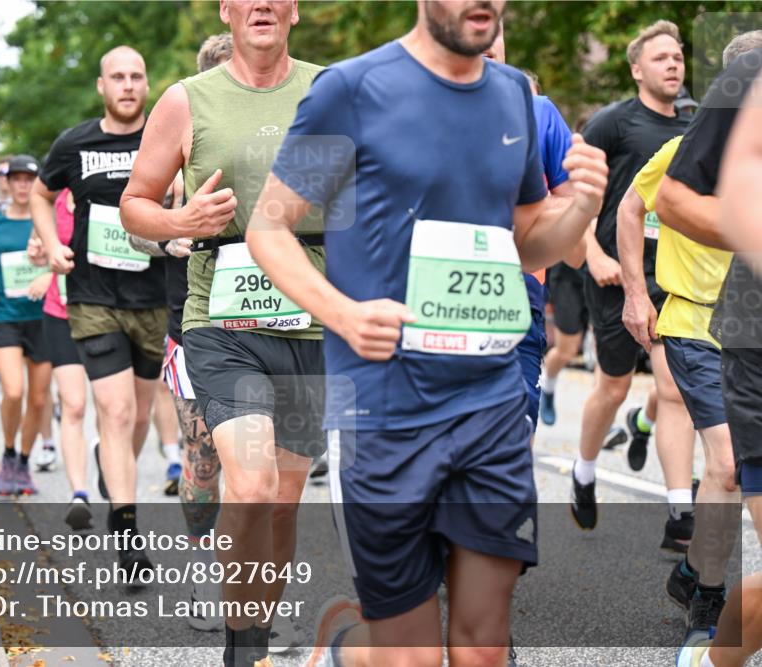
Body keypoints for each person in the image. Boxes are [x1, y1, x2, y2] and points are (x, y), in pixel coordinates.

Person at [245, 1, 608, 665]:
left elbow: (527, 243)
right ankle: (344, 646)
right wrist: (343, 312)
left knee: (482, 649)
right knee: (408, 656)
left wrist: (579, 208)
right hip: (385, 407)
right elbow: (269, 227)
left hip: (491, 401)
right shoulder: (352, 91)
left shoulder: (513, 99)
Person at [121, 3, 327, 662]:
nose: (262, 4)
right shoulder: (186, 101)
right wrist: (181, 222)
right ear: (226, 10)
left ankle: (257, 629)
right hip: (221, 319)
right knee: (254, 483)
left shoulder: (332, 92)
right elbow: (135, 205)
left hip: (310, 321)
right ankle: (243, 648)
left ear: (294, 10)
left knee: (285, 504)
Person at [31, 45, 166, 578]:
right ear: (101, 86)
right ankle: (128, 535)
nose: (128, 85)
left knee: (136, 416)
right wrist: (52, 243)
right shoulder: (75, 143)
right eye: (118, 77)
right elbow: (43, 196)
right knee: (114, 411)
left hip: (155, 297)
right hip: (92, 297)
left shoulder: (168, 133)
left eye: (137, 76)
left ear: (148, 84)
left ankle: (117, 476)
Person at [654, 42, 762, 665]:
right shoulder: (749, 79)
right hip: (736, 336)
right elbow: (662, 201)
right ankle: (710, 619)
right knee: (721, 466)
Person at [124, 30, 233, 634]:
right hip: (192, 326)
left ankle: (254, 598)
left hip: (273, 322)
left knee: (265, 464)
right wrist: (172, 230)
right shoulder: (179, 143)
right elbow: (135, 220)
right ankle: (200, 563)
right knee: (204, 456)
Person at [572, 20, 694, 536]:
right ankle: (584, 469)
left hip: (673, 278)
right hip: (614, 275)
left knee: (675, 386)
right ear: (637, 68)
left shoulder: (693, 126)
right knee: (614, 386)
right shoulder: (612, 123)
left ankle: (680, 511)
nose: (673, 64)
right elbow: (571, 196)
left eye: (679, 56)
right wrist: (592, 255)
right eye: (662, 57)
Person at [483, 20, 584, 430]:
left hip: (518, 301)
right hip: (430, 308)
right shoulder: (409, 107)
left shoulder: (539, 113)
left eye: (495, 25)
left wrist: (585, 202)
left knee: (511, 449)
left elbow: (575, 250)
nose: (488, 39)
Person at [0, 155, 53, 497]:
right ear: (6, 182)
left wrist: (48, 276)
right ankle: (7, 453)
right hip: (6, 316)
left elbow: (65, 259)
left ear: (37, 182)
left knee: (38, 400)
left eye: (29, 179)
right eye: (16, 179)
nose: (22, 185)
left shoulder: (48, 219)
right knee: (13, 391)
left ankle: (23, 462)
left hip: (43, 319)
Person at [28, 189, 94, 528]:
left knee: (123, 412)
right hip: (61, 313)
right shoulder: (50, 205)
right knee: (75, 405)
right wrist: (41, 258)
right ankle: (79, 493)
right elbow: (37, 252)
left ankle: (110, 462)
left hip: (105, 313)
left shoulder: (105, 190)